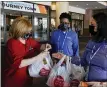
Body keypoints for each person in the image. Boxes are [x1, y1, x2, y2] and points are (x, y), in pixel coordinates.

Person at [3, 17, 51, 87]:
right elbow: (19, 63)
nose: (29, 33)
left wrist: (46, 46)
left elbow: (38, 46)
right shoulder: (12, 43)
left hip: (27, 78)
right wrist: (38, 57)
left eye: (29, 31)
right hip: (14, 80)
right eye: (27, 31)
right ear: (19, 31)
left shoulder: (29, 40)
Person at [81, 12, 107, 82]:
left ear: (101, 24)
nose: (91, 24)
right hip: (87, 81)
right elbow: (82, 61)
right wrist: (66, 58)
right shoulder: (92, 42)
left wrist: (101, 84)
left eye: (93, 23)